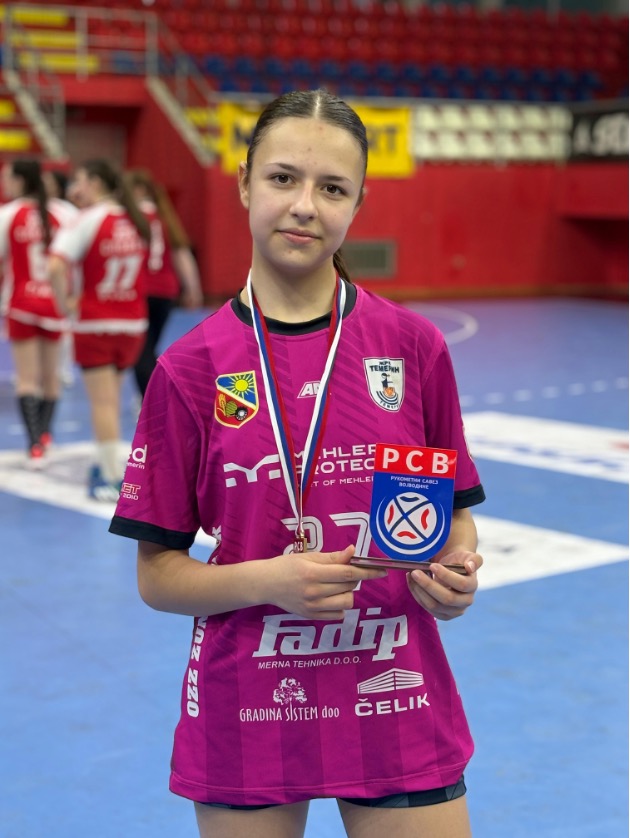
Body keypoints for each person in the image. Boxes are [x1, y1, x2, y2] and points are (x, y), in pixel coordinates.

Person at [109, 89, 485, 838]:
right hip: (248, 701)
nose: (305, 206)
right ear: (245, 182)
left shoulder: (413, 349)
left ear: (358, 203)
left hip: (395, 693)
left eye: (332, 188)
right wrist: (271, 581)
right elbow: (157, 575)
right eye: (283, 178)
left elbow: (453, 518)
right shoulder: (189, 369)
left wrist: (454, 573)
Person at [48, 158, 150, 500]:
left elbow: (55, 265)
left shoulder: (86, 220)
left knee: (102, 404)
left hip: (96, 321)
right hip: (132, 322)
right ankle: (106, 464)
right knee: (113, 400)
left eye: (79, 180)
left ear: (93, 182)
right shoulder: (136, 217)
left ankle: (109, 476)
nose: (75, 188)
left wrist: (65, 304)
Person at [0, 158, 78, 467]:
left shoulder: (9, 214)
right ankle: (45, 435)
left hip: (21, 303)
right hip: (55, 303)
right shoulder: (65, 213)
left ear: (20, 180)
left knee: (26, 379)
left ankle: (34, 444)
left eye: (7, 178)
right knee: (51, 378)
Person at [125, 168, 204, 399]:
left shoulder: (129, 218)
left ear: (138, 190)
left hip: (141, 291)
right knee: (149, 347)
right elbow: (182, 254)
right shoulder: (165, 218)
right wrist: (193, 288)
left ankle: (153, 399)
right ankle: (155, 396)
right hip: (166, 292)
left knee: (141, 351)